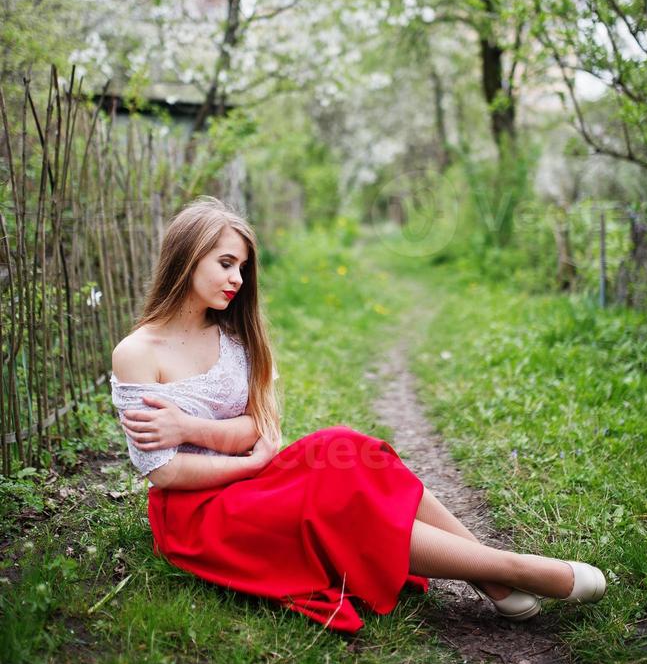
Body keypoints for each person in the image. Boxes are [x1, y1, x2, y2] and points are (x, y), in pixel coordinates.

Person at [110, 196, 606, 633]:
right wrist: (251, 461)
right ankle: (515, 569)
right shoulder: (137, 353)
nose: (238, 279)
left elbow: (259, 428)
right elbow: (167, 471)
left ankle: (489, 576)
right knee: (334, 502)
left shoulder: (234, 336)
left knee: (348, 448)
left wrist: (192, 428)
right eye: (226, 264)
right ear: (186, 257)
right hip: (197, 515)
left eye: (242, 267)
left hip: (248, 478)